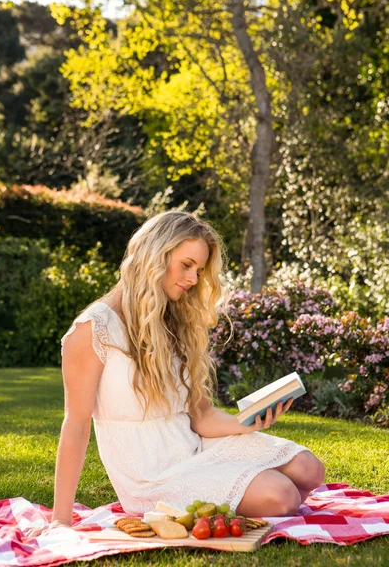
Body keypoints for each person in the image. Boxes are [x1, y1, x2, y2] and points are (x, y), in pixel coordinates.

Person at [25, 211, 325, 538]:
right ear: (154, 257)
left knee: (310, 470)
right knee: (282, 496)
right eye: (187, 265)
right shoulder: (93, 330)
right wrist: (62, 520)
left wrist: (246, 422)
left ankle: (239, 480)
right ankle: (244, 485)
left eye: (199, 270)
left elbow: (199, 413)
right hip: (151, 476)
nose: (194, 279)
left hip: (194, 446)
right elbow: (77, 424)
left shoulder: (173, 319)